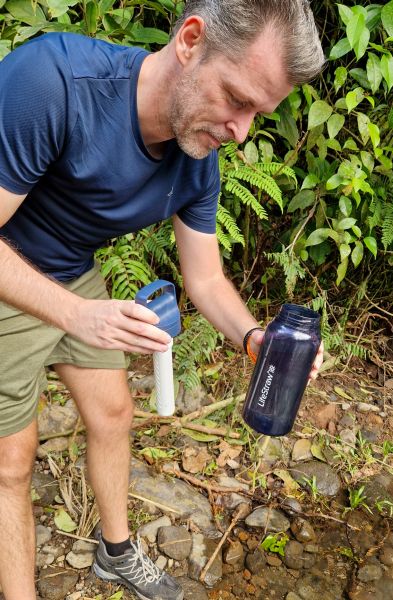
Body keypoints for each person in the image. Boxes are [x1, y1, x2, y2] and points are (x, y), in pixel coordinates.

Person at [0, 1, 325, 598]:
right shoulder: (53, 83)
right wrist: (77, 314)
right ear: (190, 40)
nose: (241, 130)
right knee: (11, 462)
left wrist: (255, 339)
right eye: (236, 97)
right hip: (6, 268)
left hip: (72, 273)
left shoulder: (199, 157)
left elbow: (204, 281)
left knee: (114, 412)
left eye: (258, 113)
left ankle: (116, 553)